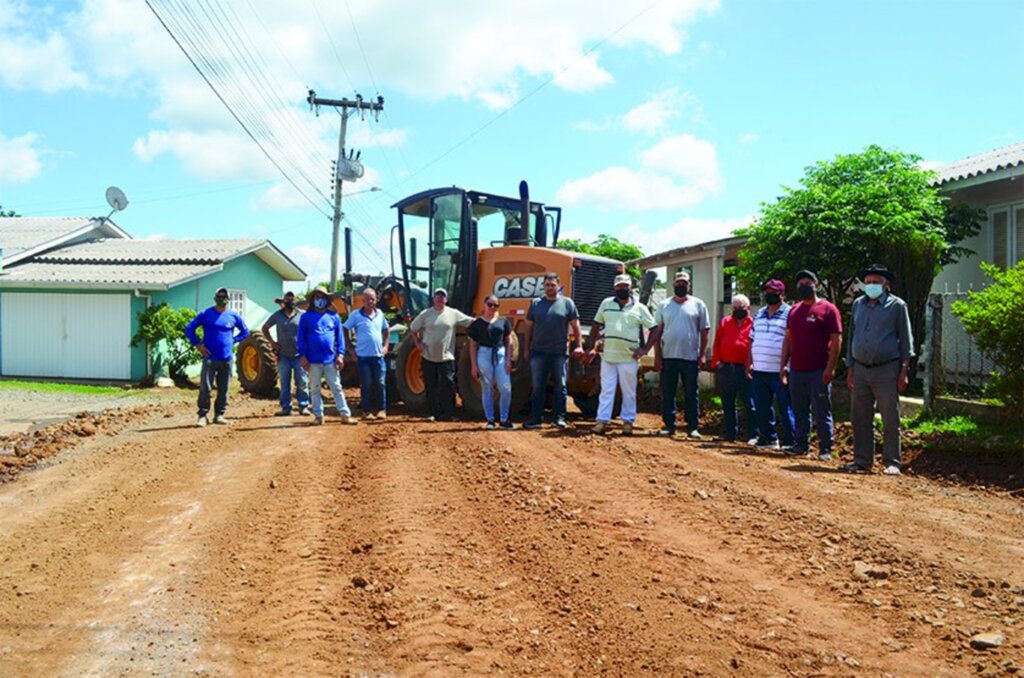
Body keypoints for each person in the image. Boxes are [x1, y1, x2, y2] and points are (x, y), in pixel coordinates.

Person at [844, 264, 914, 475]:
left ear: (886, 284)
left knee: (890, 417)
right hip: (860, 369)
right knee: (860, 417)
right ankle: (862, 460)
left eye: (876, 282)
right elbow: (851, 337)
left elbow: (906, 341)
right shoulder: (858, 305)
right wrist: (850, 368)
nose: (872, 285)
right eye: (868, 281)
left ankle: (892, 461)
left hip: (887, 369)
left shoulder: (897, 306)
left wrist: (904, 371)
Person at [779, 270, 842, 460]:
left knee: (821, 409)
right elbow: (788, 339)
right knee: (799, 409)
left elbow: (837, 339)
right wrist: (783, 365)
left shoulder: (828, 309)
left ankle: (825, 448)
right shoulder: (794, 310)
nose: (803, 286)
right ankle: (801, 445)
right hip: (797, 370)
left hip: (818, 370)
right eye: (800, 284)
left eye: (808, 282)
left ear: (816, 285)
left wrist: (830, 368)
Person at [588, 274, 656, 436]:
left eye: (625, 286)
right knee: (606, 390)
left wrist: (645, 349)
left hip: (628, 358)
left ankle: (627, 423)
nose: (622, 289)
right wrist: (591, 347)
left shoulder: (639, 308)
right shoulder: (606, 304)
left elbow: (654, 328)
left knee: (629, 391)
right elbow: (596, 325)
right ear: (614, 288)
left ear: (630, 288)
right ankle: (602, 421)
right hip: (608, 357)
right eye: (619, 286)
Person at [646, 271, 710, 438]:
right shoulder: (664, 305)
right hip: (668, 356)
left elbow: (704, 331)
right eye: (678, 283)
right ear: (673, 284)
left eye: (685, 283)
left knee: (691, 392)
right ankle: (669, 425)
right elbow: (657, 332)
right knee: (668, 392)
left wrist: (702, 354)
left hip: (690, 357)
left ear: (689, 285)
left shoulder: (698, 304)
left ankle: (693, 427)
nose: (681, 285)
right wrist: (657, 356)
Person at [523, 273, 585, 429]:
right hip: (538, 352)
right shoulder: (536, 304)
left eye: (553, 285)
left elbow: (576, 326)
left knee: (560, 386)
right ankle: (535, 419)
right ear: (543, 286)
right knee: (538, 386)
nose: (550, 288)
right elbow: (528, 328)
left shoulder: (567, 303)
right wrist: (526, 348)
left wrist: (579, 346)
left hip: (559, 353)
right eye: (547, 285)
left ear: (558, 286)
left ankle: (559, 418)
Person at [185, 287, 250, 427]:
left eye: (224, 296)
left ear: (228, 299)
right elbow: (189, 328)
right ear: (215, 298)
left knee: (224, 389)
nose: (222, 298)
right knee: (205, 388)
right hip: (209, 358)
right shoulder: (206, 314)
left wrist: (234, 340)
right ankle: (202, 416)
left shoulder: (233, 316)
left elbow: (245, 331)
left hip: (226, 359)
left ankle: (219, 415)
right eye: (219, 296)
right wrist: (198, 345)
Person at [409, 288, 474, 421]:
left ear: (446, 299)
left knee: (448, 384)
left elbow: (470, 321)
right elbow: (413, 328)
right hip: (428, 356)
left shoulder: (453, 313)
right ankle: (433, 413)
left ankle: (449, 413)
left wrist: (486, 318)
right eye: (437, 296)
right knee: (430, 385)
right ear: (433, 299)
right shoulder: (425, 314)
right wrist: (418, 343)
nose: (439, 298)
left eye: (442, 296)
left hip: (447, 356)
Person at [747, 279, 796, 450]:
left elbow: (792, 342)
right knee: (762, 406)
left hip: (779, 370)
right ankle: (768, 438)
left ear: (782, 294)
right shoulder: (759, 313)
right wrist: (749, 362)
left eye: (773, 292)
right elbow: (752, 339)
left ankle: (791, 441)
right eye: (767, 292)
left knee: (786, 406)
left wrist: (786, 366)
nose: (769, 295)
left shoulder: (790, 314)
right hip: (760, 369)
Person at [297, 286, 357, 426]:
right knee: (315, 388)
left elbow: (340, 338)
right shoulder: (306, 317)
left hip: (330, 359)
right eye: (317, 297)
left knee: (336, 387)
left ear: (327, 300)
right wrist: (302, 356)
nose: (320, 300)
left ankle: (345, 415)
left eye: (322, 297)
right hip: (312, 360)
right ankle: (318, 416)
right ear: (313, 300)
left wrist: (341, 355)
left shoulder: (334, 317)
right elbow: (301, 338)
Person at [711, 294, 757, 444]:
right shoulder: (725, 322)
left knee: (750, 403)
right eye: (735, 308)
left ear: (748, 308)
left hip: (744, 369)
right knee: (728, 403)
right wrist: (717, 362)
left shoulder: (754, 324)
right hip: (726, 367)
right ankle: (730, 434)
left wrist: (749, 365)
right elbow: (717, 342)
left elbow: (755, 347)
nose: (737, 310)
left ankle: (753, 435)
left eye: (741, 308)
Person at [468, 294, 516, 430]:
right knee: (486, 387)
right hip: (483, 354)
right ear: (484, 305)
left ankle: (504, 419)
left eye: (496, 305)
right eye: (490, 304)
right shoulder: (477, 324)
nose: (492, 307)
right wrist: (474, 366)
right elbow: (473, 345)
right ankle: (490, 420)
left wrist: (508, 359)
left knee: (505, 388)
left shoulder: (503, 321)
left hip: (500, 354)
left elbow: (509, 341)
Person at [343, 288, 391, 420]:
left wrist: (386, 346)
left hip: (378, 356)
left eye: (373, 299)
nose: (370, 301)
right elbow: (345, 328)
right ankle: (366, 411)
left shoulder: (380, 314)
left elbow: (386, 330)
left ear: (376, 300)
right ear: (363, 301)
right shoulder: (356, 315)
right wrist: (349, 347)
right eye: (368, 299)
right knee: (366, 384)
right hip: (363, 357)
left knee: (380, 383)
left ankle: (382, 410)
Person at [261, 291, 310, 417]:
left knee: (302, 382)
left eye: (292, 300)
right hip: (283, 356)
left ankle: (303, 406)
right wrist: (272, 343)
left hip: (300, 355)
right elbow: (265, 328)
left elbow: (310, 329)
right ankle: (286, 408)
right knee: (284, 383)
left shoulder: (302, 315)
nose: (290, 302)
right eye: (287, 300)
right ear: (284, 301)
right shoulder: (277, 315)